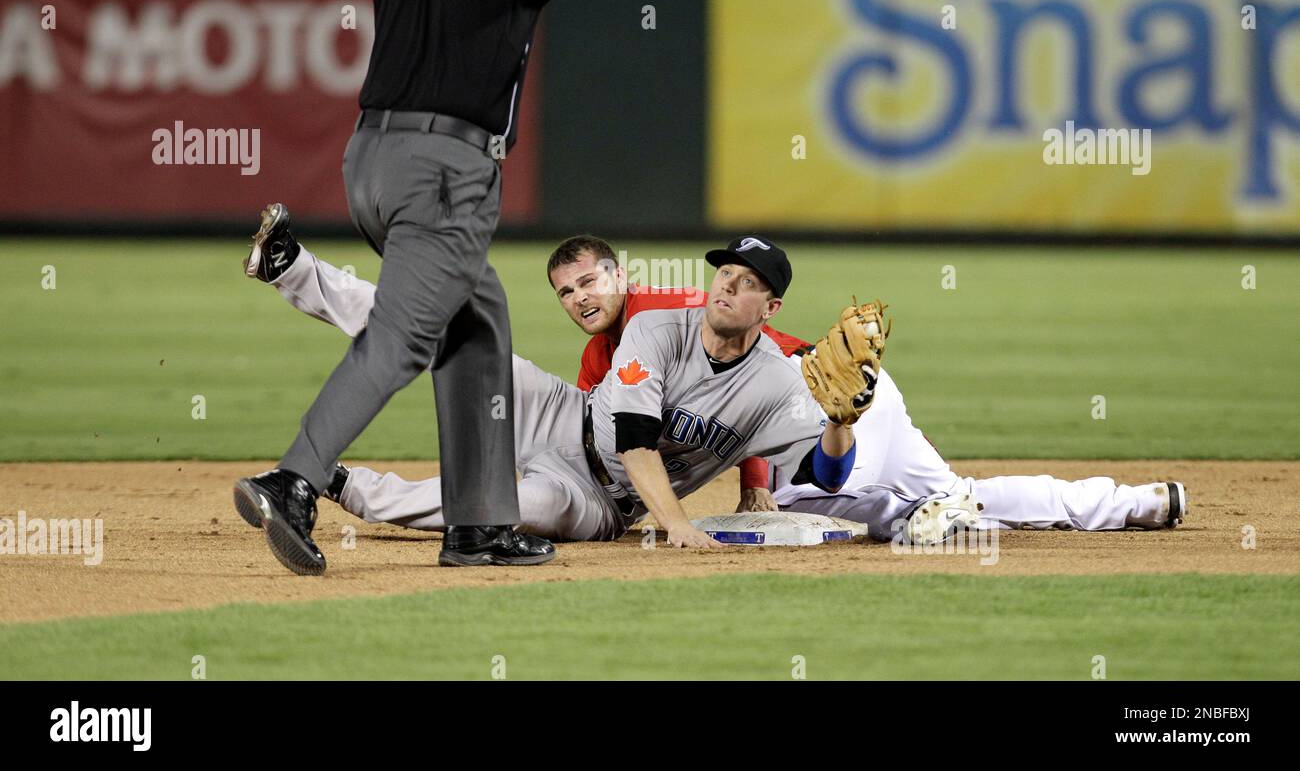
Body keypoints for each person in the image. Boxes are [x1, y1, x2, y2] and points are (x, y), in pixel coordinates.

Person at [144, 0, 772, 574]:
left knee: (479, 322)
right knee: (405, 336)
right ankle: (294, 479)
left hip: (369, 162)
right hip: (445, 170)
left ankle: (479, 525)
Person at [244, 214, 1189, 545]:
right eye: (718, 273)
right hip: (578, 425)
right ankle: (293, 269)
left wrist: (836, 426)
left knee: (501, 505)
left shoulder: (786, 377)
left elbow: (809, 462)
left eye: (742, 282)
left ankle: (344, 489)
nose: (722, 289)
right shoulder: (653, 324)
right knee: (457, 333)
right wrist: (683, 524)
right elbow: (632, 433)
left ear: (767, 300)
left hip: (595, 494)